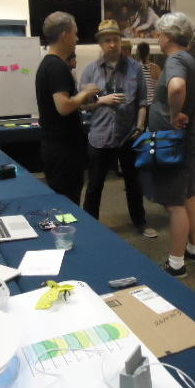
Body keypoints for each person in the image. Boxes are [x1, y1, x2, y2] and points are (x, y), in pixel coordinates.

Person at [143, 12, 195, 278]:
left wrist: (176, 114)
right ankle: (194, 249)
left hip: (173, 140)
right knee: (188, 196)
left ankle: (176, 263)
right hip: (190, 137)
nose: (157, 38)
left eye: (158, 34)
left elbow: (176, 87)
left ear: (167, 36)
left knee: (175, 202)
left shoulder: (176, 59)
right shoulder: (194, 59)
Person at [79, 20, 157, 238]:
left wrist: (140, 127)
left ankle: (140, 222)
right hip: (100, 136)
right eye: (107, 40)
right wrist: (102, 100)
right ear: (100, 44)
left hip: (128, 135)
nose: (112, 44)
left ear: (121, 41)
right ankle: (90, 226)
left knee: (134, 183)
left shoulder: (135, 68)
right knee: (95, 185)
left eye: (115, 39)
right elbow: (82, 105)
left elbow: (142, 102)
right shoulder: (90, 71)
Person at [35, 11, 99, 204]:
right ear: (65, 36)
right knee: (68, 203)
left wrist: (87, 100)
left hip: (57, 149)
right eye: (75, 33)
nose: (77, 38)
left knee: (63, 201)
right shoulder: (57, 67)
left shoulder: (48, 64)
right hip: (64, 152)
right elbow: (63, 106)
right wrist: (85, 92)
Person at [136, 42, 162, 107]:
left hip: (140, 104)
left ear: (138, 53)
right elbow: (161, 87)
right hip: (153, 104)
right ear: (148, 53)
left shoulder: (134, 68)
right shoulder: (155, 68)